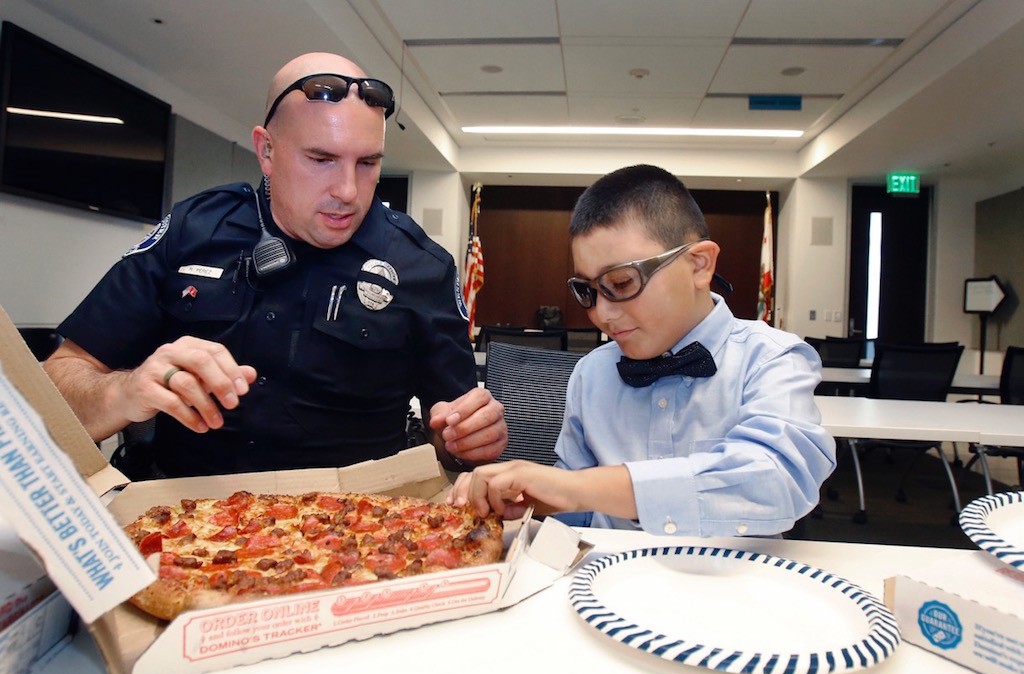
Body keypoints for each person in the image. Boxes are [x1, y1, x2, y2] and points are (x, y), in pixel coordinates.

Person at [43, 52, 507, 477]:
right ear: (266, 150)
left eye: (367, 162)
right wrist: (123, 393)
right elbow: (55, 386)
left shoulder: (421, 265)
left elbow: (451, 439)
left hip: (357, 533)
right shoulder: (194, 229)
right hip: (183, 518)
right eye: (321, 159)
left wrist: (469, 440)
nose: (348, 190)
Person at [449, 164, 835, 536]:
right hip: (601, 582)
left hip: (737, 588)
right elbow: (576, 516)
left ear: (699, 265)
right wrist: (532, 503)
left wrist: (575, 487)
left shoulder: (771, 358)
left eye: (621, 282)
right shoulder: (591, 372)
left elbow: (779, 479)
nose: (601, 314)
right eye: (588, 290)